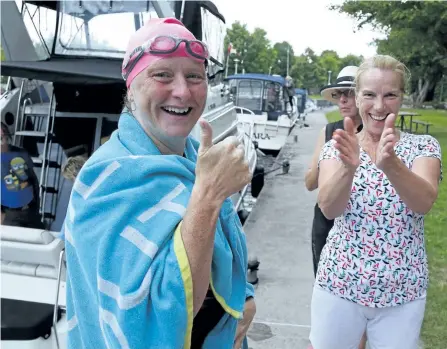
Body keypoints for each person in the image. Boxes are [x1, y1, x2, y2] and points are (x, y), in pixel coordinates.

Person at [62, 18, 255, 349]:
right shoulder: (106, 180)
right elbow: (153, 319)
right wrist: (208, 196)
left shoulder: (194, 157)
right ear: (131, 87)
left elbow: (222, 248)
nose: (182, 91)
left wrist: (245, 298)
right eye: (162, 74)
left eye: (194, 76)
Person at [310, 54, 442, 349]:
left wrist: (390, 164)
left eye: (390, 95)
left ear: (402, 98)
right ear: (357, 98)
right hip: (339, 285)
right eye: (369, 95)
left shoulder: (424, 146)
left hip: (402, 294)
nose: (379, 106)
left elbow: (423, 203)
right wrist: (348, 168)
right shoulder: (339, 146)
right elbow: (329, 208)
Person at [305, 66, 367, 349]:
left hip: (362, 222)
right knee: (327, 292)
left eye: (349, 93)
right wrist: (329, 160)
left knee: (364, 299)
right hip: (327, 222)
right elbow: (310, 182)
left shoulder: (376, 134)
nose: (343, 100)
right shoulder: (329, 131)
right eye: (339, 94)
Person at [1, 122, 44, 228]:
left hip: (30, 212)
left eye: (3, 134)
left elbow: (33, 180)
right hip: (10, 216)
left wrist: (36, 206)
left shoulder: (21, 152)